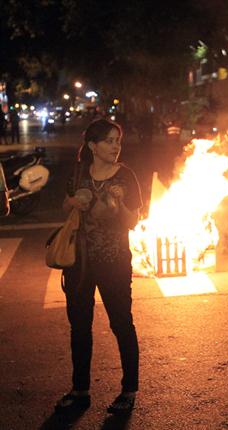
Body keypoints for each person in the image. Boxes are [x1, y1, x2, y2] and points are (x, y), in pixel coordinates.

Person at [55, 118, 142, 415]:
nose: (115, 147)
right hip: (78, 262)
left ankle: (129, 390)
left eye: (117, 141)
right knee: (79, 327)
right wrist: (74, 202)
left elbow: (134, 221)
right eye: (109, 141)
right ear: (92, 145)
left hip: (114, 261)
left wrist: (119, 208)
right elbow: (64, 206)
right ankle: (80, 390)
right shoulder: (79, 172)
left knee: (121, 323)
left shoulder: (126, 176)